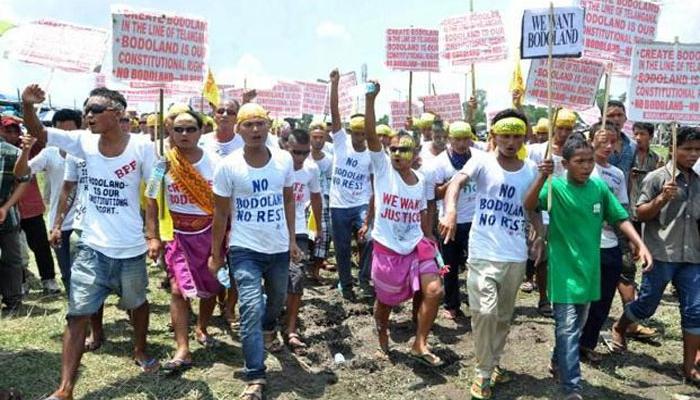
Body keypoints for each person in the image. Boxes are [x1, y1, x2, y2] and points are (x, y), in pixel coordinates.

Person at [21, 84, 161, 400]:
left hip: (130, 249)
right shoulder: (84, 142)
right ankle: (65, 389)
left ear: (117, 113)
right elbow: (40, 135)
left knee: (136, 304)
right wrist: (28, 106)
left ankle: (139, 349)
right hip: (91, 247)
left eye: (95, 110)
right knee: (76, 314)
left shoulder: (142, 147)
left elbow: (152, 193)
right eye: (86, 110)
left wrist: (152, 235)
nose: (88, 115)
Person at [523, 132, 651, 400]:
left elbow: (620, 217)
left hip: (588, 271)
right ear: (565, 164)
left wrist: (640, 243)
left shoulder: (599, 189)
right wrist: (541, 177)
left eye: (589, 161)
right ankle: (572, 388)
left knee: (574, 328)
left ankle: (558, 362)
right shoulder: (555, 187)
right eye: (579, 161)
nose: (586, 166)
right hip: (562, 271)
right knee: (568, 328)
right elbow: (530, 205)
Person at [440, 109, 544, 399]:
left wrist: (539, 236)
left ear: (524, 137)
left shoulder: (532, 170)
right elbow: (456, 183)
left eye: (516, 136)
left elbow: (531, 208)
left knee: (502, 316)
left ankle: (493, 363)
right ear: (494, 136)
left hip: (515, 255)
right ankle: (482, 372)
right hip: (483, 251)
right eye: (505, 135)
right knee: (484, 312)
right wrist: (450, 210)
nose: (511, 141)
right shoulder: (482, 161)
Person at [209, 102, 301, 400]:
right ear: (239, 130)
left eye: (260, 123)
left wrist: (291, 240)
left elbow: (288, 200)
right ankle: (255, 375)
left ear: (268, 126)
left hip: (277, 249)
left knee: (275, 301)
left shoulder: (284, 160)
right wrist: (216, 254)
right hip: (244, 248)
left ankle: (269, 327)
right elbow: (220, 214)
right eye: (248, 125)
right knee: (250, 307)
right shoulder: (228, 166)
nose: (255, 130)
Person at [611, 126, 700, 386]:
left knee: (695, 311)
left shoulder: (698, 181)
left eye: (697, 150)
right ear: (674, 148)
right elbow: (639, 214)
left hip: (693, 257)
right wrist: (662, 199)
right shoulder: (656, 178)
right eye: (687, 149)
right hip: (661, 253)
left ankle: (687, 366)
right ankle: (621, 325)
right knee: (647, 305)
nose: (693, 154)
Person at [365, 81, 443, 363]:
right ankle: (383, 338)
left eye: (403, 149)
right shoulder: (383, 169)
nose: (397, 153)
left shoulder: (421, 180)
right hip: (387, 248)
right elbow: (373, 137)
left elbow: (423, 210)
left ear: (414, 154)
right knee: (385, 303)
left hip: (415, 245)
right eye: (394, 149)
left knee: (434, 291)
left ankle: (420, 342)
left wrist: (429, 235)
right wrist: (370, 100)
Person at [146, 110, 223, 373]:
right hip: (177, 237)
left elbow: (226, 203)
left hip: (210, 234)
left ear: (202, 131)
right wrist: (153, 236)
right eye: (178, 129)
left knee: (211, 288)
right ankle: (182, 347)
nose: (184, 134)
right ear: (170, 132)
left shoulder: (216, 163)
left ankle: (201, 326)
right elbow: (152, 200)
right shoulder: (162, 164)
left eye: (191, 129)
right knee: (178, 290)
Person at [576, 123, 631, 363]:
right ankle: (567, 345)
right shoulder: (578, 168)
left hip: (609, 244)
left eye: (614, 141)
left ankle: (587, 343)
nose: (609, 146)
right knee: (578, 299)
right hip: (582, 244)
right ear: (591, 139)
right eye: (603, 140)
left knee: (603, 299)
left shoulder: (617, 174)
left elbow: (621, 209)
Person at [14, 109, 82, 293]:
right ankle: (77, 312)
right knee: (67, 272)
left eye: (70, 133)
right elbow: (22, 173)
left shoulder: (90, 152)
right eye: (60, 133)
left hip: (85, 224)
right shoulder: (49, 153)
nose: (65, 138)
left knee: (86, 274)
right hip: (59, 224)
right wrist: (25, 150)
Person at [0, 116, 59, 294]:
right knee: (16, 250)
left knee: (40, 245)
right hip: (11, 211)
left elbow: (40, 138)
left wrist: (25, 120)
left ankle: (48, 279)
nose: (12, 135)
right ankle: (22, 282)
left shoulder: (29, 148)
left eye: (15, 131)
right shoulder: (4, 152)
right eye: (7, 131)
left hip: (31, 207)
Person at [328, 68, 373, 301]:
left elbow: (375, 184)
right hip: (338, 206)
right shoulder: (340, 143)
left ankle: (364, 277)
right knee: (342, 248)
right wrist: (334, 84)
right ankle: (345, 284)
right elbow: (335, 113)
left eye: (363, 133)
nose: (359, 137)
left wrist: (369, 218)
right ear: (350, 132)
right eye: (355, 132)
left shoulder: (373, 153)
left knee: (371, 239)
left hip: (361, 203)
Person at [430, 120, 480, 320]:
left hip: (476, 220)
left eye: (465, 139)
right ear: (450, 139)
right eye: (457, 139)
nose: (462, 144)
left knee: (477, 263)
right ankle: (451, 304)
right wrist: (455, 182)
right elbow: (435, 193)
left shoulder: (478, 158)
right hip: (449, 222)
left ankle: (478, 303)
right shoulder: (440, 162)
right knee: (449, 266)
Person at [285, 128, 322, 352]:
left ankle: (291, 328)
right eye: (295, 153)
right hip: (273, 229)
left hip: (298, 230)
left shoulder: (311, 169)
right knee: (276, 279)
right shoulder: (276, 166)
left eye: (304, 153)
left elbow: (316, 198)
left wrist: (317, 226)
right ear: (286, 148)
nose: (299, 158)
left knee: (298, 277)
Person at [0, 117, 29, 312]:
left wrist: (6, 206)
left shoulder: (14, 153)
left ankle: (13, 301)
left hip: (7, 214)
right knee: (12, 259)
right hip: (7, 212)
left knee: (12, 258)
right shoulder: (15, 152)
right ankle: (13, 301)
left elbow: (23, 180)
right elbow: (24, 181)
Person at [308, 121, 334, 279]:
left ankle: (316, 269)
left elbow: (331, 181)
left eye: (321, 137)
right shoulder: (303, 155)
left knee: (324, 233)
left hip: (323, 197)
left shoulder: (330, 159)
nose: (318, 140)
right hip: (304, 198)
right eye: (315, 137)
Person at [604, 100, 637, 178]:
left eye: (620, 115)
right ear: (602, 118)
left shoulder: (632, 146)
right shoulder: (595, 144)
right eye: (611, 115)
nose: (616, 119)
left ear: (625, 118)